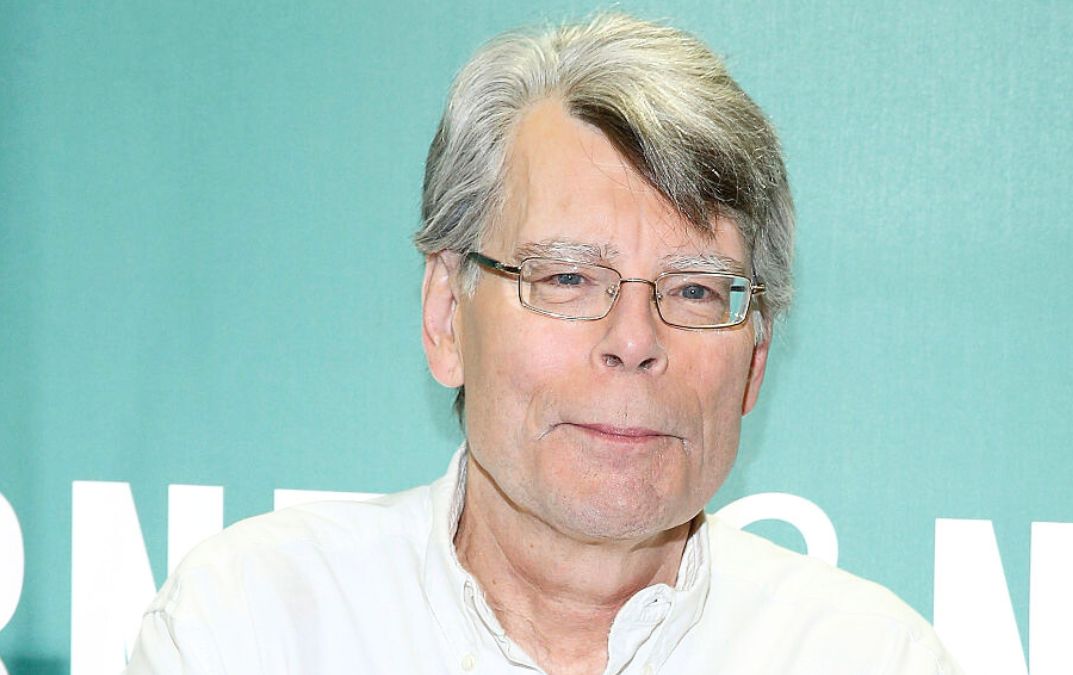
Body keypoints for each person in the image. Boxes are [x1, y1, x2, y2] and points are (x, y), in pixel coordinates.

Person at [126, 13, 962, 675]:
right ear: (448, 316)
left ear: (757, 356)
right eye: (567, 278)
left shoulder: (869, 656)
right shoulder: (251, 628)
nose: (634, 340)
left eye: (696, 290)